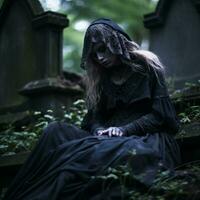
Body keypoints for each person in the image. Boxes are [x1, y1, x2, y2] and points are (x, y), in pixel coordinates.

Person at [4, 18, 181, 200]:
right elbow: (94, 119)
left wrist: (123, 130)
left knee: (125, 150)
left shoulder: (148, 67)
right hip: (105, 138)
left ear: (116, 42)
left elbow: (161, 116)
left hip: (143, 137)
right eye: (94, 54)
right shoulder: (101, 78)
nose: (99, 58)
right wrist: (98, 130)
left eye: (102, 49)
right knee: (54, 131)